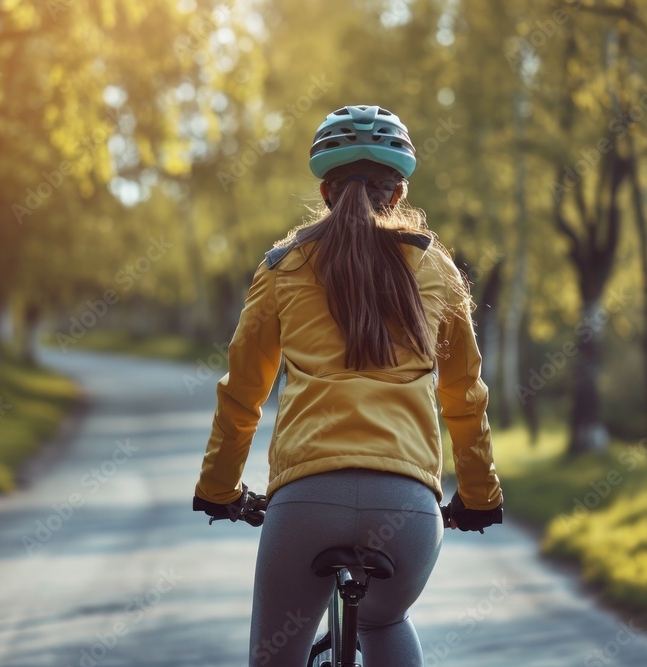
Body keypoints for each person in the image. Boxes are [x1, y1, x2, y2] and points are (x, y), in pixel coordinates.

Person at [193, 105, 503, 667]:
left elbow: (242, 393)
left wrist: (219, 489)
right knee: (386, 619)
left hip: (306, 500)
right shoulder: (438, 269)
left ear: (325, 189)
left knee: (275, 656)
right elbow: (466, 398)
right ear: (400, 190)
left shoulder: (283, 265)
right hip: (407, 507)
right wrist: (480, 499)